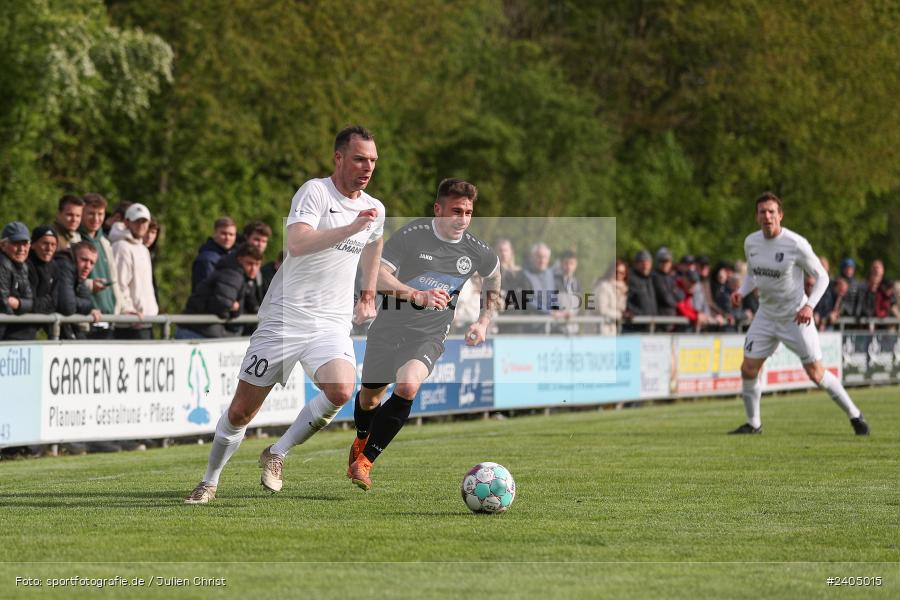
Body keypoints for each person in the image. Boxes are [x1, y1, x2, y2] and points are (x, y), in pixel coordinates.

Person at [185, 125, 385, 504]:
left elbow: (374, 243)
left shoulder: (374, 208)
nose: (367, 167)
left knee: (342, 389)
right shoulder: (314, 191)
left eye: (373, 160)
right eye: (360, 158)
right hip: (286, 318)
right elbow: (297, 242)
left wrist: (368, 295)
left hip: (331, 321)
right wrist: (350, 226)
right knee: (242, 411)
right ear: (339, 158)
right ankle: (209, 480)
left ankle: (277, 452)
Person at [340, 178, 500, 491]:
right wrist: (417, 294)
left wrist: (483, 322)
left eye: (468, 212)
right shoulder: (412, 236)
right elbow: (377, 277)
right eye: (456, 210)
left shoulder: (476, 250)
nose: (462, 219)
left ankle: (366, 461)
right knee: (370, 398)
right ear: (438, 209)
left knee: (409, 384)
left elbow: (494, 280)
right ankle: (362, 437)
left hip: (429, 333)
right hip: (389, 327)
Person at [729, 192, 868, 435]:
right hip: (766, 316)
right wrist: (741, 291)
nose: (767, 216)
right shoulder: (751, 242)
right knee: (748, 368)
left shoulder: (795, 244)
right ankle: (753, 424)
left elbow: (823, 276)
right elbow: (753, 274)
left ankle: (855, 415)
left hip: (795, 317)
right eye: (762, 211)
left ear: (780, 215)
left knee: (816, 373)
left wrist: (809, 306)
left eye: (772, 211)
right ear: (756, 216)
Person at [177, 244, 264, 339]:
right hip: (198, 332)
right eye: (250, 263)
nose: (253, 269)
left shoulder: (233, 271)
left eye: (257, 264)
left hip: (197, 329)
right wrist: (235, 309)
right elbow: (222, 304)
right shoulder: (234, 275)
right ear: (240, 260)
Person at [80, 193, 131, 339]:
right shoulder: (74, 241)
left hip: (109, 321)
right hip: (86, 322)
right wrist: (90, 285)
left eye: (100, 214)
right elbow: (69, 281)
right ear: (82, 213)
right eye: (91, 213)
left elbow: (114, 282)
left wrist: (124, 308)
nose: (96, 219)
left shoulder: (105, 243)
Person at [110, 203, 158, 340]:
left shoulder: (143, 249)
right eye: (137, 221)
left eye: (144, 222)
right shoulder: (121, 247)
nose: (141, 225)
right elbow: (119, 284)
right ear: (127, 222)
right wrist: (128, 312)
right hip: (131, 325)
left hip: (146, 321)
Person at [54, 241, 102, 339]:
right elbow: (67, 306)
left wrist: (89, 308)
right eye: (84, 260)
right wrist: (87, 308)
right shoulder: (64, 264)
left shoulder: (78, 274)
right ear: (74, 256)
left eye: (92, 263)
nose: (88, 266)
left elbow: (89, 302)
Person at [0, 222, 36, 341]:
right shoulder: (2, 264)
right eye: (16, 243)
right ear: (3, 245)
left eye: (25, 243)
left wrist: (19, 303)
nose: (21, 249)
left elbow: (30, 301)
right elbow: (3, 303)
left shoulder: (23, 266)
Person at [27, 226, 60, 337]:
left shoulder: (54, 266)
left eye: (53, 245)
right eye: (45, 243)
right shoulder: (25, 265)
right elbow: (28, 303)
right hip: (19, 327)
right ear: (33, 245)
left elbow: (54, 302)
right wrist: (46, 301)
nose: (49, 248)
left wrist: (39, 303)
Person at [191, 217, 237, 291]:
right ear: (215, 234)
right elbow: (204, 292)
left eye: (231, 234)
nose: (227, 238)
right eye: (223, 233)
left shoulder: (233, 257)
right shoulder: (206, 260)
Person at [624, 250, 657, 331]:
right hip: (635, 326)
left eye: (648, 262)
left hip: (651, 325)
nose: (645, 266)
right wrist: (635, 313)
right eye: (642, 262)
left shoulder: (652, 279)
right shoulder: (630, 279)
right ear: (636, 264)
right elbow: (626, 301)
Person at [593, 258, 628, 335]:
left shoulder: (623, 289)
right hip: (601, 329)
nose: (619, 275)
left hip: (614, 328)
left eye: (622, 273)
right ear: (611, 271)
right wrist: (620, 315)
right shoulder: (604, 286)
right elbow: (602, 310)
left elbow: (621, 308)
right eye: (616, 272)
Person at [651, 247, 680, 330]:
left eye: (667, 261)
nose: (665, 264)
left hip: (671, 319)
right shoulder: (655, 277)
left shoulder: (671, 277)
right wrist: (677, 303)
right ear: (657, 262)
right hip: (660, 321)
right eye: (662, 261)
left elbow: (680, 294)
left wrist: (674, 294)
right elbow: (666, 298)